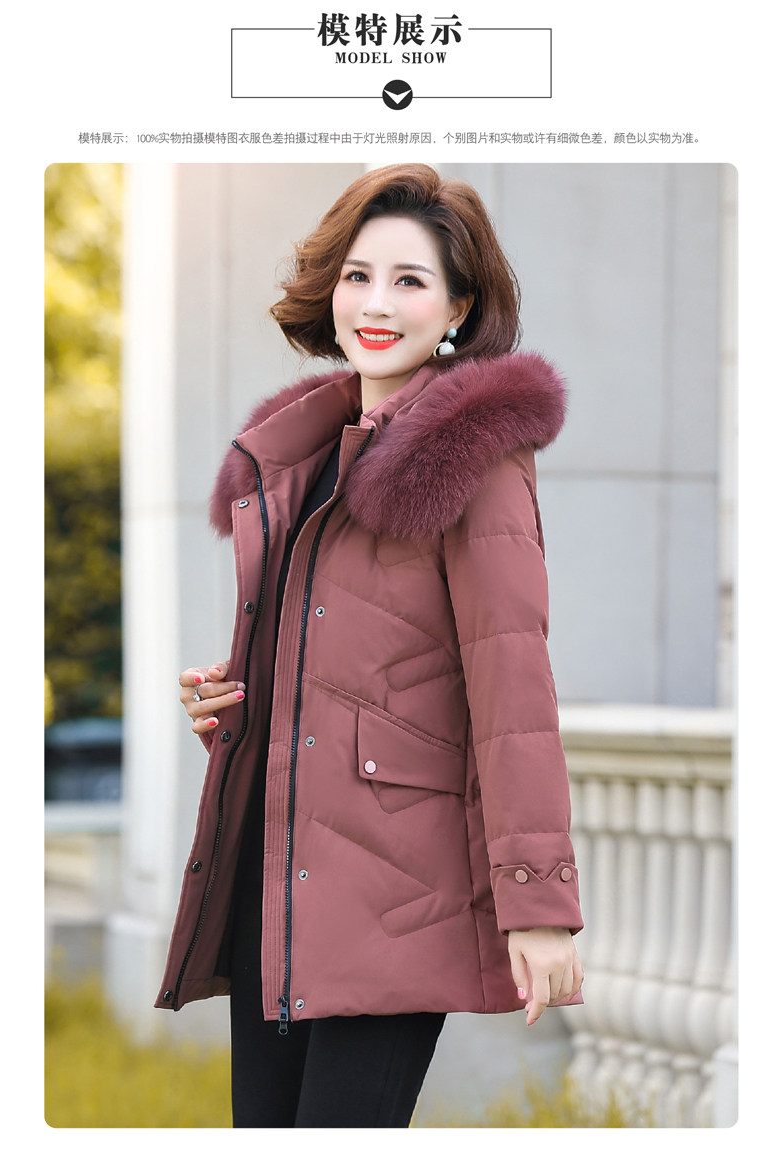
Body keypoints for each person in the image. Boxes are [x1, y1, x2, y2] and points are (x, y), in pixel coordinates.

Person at [156, 164, 585, 1128]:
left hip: (399, 888)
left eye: (409, 280)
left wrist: (539, 904)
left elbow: (514, 689)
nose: (376, 304)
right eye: (358, 275)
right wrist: (229, 703)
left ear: (458, 309)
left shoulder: (473, 456)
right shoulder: (303, 454)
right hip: (276, 877)